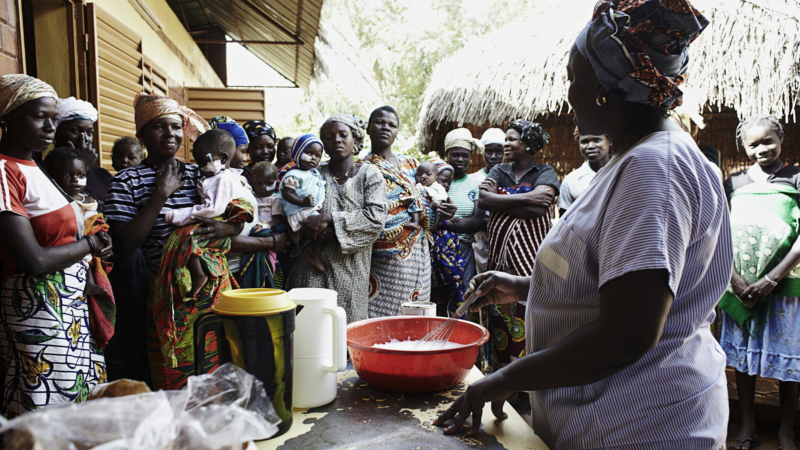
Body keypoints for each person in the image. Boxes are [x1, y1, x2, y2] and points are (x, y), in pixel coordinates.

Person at [436, 3, 728, 449]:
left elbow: (626, 334)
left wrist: (503, 378)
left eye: (575, 78)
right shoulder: (639, 158)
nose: (569, 94)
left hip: (639, 426)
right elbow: (616, 284)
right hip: (619, 417)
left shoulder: (654, 170)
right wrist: (523, 286)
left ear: (606, 89)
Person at [105, 93, 244, 391]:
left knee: (218, 371)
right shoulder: (126, 180)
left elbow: (236, 216)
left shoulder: (202, 172)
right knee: (174, 376)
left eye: (175, 126)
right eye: (158, 127)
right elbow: (126, 244)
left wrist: (226, 229)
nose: (170, 134)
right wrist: (160, 194)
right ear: (141, 134)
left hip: (213, 292)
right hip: (162, 297)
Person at [0, 75, 112, 418]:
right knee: (45, 405)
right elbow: (32, 259)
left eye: (53, 117)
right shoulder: (5, 171)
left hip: (66, 306)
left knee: (75, 401)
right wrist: (91, 244)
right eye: (38, 116)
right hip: (34, 307)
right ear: (8, 118)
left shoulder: (34, 166)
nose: (50, 126)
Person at [720, 115, 800, 450]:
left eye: (768, 141)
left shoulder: (796, 178)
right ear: (743, 146)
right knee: (744, 359)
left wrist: (772, 278)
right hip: (741, 285)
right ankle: (748, 424)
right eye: (753, 144)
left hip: (783, 284)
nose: (762, 149)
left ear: (781, 139)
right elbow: (719, 233)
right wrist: (735, 279)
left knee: (789, 357)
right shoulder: (734, 182)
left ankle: (786, 429)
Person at [154, 130, 253, 371]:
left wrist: (180, 215)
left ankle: (198, 274)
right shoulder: (207, 174)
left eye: (203, 161)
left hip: (215, 264)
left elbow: (216, 210)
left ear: (222, 157)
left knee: (189, 237)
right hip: (176, 278)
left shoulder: (222, 178)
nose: (199, 166)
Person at [286, 114, 387, 323]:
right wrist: (311, 230)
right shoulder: (312, 173)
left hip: (350, 271)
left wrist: (330, 219)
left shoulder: (370, 174)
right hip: (309, 269)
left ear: (355, 140)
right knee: (309, 330)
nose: (337, 140)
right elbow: (290, 209)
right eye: (329, 137)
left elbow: (376, 219)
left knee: (345, 333)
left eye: (343, 135)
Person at [478, 120, 559, 370]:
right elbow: (484, 200)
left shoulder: (544, 171)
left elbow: (543, 205)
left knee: (530, 316)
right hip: (501, 258)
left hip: (530, 260)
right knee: (500, 317)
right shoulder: (498, 171)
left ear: (528, 145)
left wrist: (502, 197)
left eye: (512, 139)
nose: (506, 143)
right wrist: (525, 199)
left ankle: (526, 382)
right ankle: (504, 376)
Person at [363, 106, 455, 318]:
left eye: (392, 125)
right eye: (379, 122)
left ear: (397, 132)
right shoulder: (362, 168)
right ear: (368, 128)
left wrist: (441, 211)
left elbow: (426, 200)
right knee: (383, 320)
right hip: (384, 263)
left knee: (417, 320)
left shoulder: (412, 165)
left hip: (419, 258)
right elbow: (372, 216)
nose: (385, 128)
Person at [43, 148, 116, 336]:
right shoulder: (53, 202)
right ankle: (90, 283)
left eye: (81, 175)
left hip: (88, 245)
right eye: (68, 175)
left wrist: (102, 235)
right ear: (51, 177)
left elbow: (97, 222)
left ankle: (93, 283)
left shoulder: (88, 199)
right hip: (70, 252)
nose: (76, 180)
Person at [439, 128, 486, 287]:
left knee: (462, 299)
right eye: (455, 154)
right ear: (446, 156)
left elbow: (475, 223)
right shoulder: (436, 184)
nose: (460, 159)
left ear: (471, 158)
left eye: (465, 155)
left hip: (464, 250)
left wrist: (440, 225)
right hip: (437, 249)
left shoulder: (475, 185)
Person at [279, 134, 326, 273]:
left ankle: (304, 243)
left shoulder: (312, 173)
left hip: (308, 210)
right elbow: (287, 194)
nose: (313, 158)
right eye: (309, 153)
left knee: (322, 227)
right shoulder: (294, 175)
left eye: (318, 155)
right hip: (299, 211)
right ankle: (314, 255)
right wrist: (303, 201)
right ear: (297, 153)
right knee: (323, 226)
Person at [54, 97, 113, 205]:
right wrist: (83, 165)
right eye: (75, 131)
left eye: (89, 133)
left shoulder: (103, 175)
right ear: (55, 133)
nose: (84, 139)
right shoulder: (44, 171)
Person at [238, 160, 286, 290]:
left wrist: (265, 226)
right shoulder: (251, 197)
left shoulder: (276, 199)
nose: (263, 187)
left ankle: (268, 283)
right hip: (251, 237)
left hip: (267, 234)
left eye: (268, 183)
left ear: (276, 182)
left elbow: (276, 221)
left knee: (269, 264)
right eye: (258, 183)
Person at [471, 128, 505, 275]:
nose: (493, 156)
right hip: (478, 241)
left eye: (498, 152)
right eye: (489, 151)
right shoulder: (473, 179)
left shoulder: (511, 178)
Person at [558, 133, 611, 216]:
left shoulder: (623, 172)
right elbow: (565, 220)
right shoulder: (571, 181)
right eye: (584, 142)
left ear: (610, 141)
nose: (590, 146)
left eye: (597, 140)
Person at [242, 120, 277, 186]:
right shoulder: (242, 176)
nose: (265, 152)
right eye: (258, 147)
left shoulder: (282, 173)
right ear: (248, 149)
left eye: (270, 146)